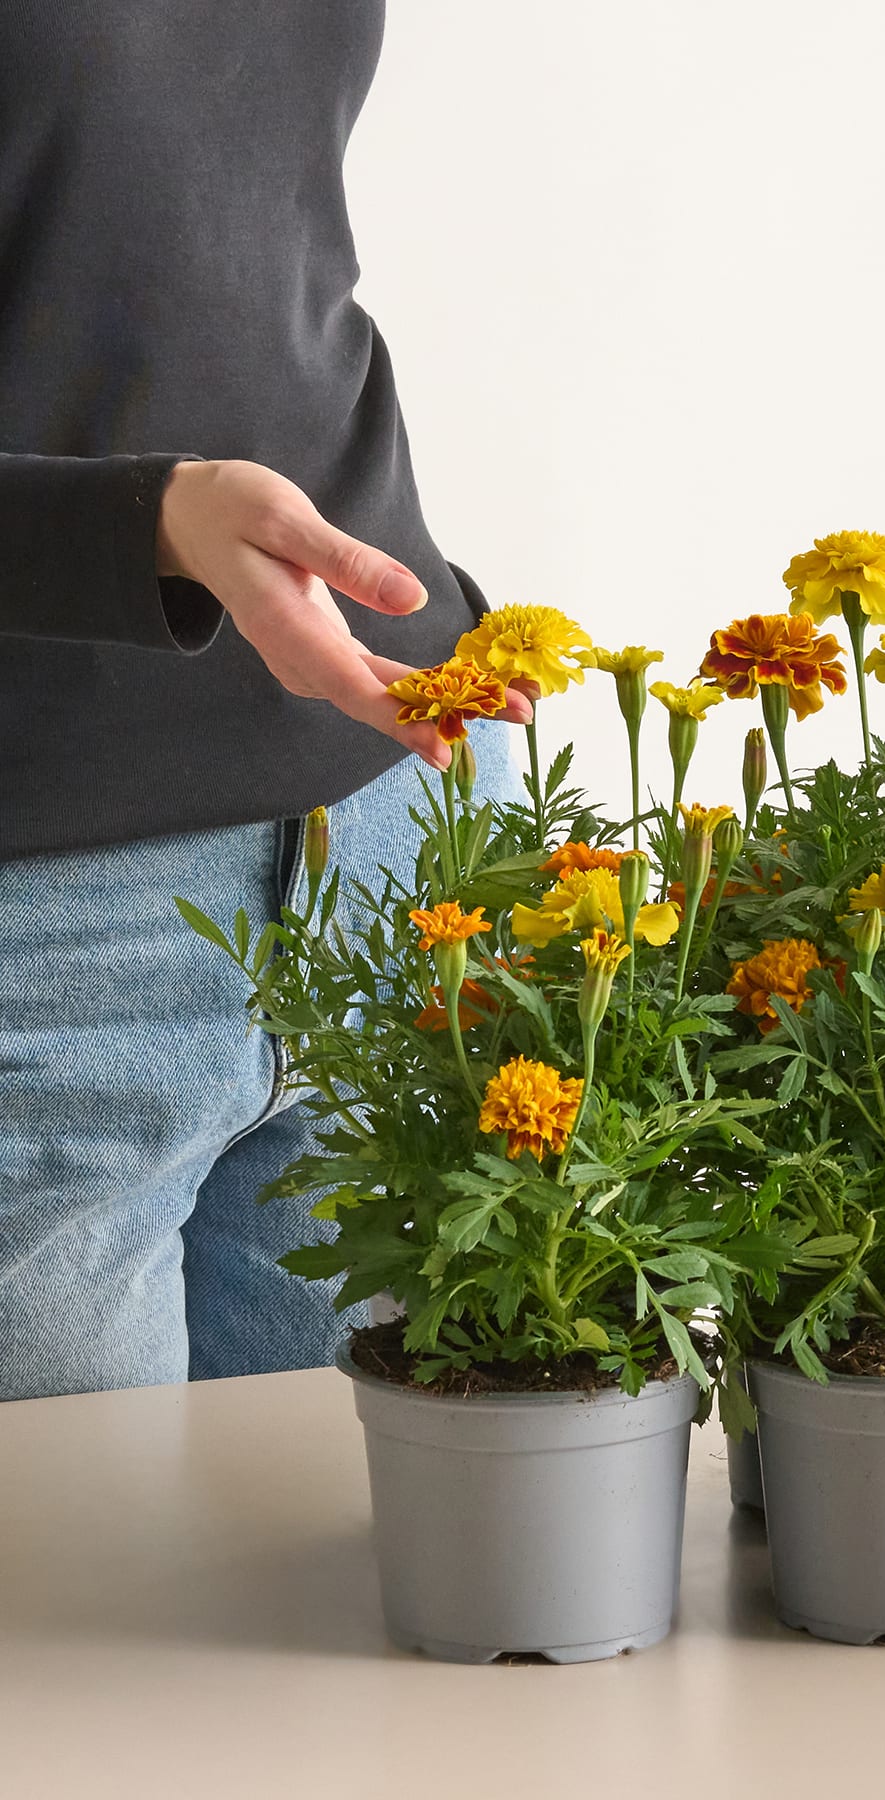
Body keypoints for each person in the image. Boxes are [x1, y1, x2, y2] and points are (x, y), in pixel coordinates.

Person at [0, 5, 531, 1399]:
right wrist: (143, 526)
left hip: (395, 840)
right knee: (83, 1547)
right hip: (43, 932)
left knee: (351, 1536)